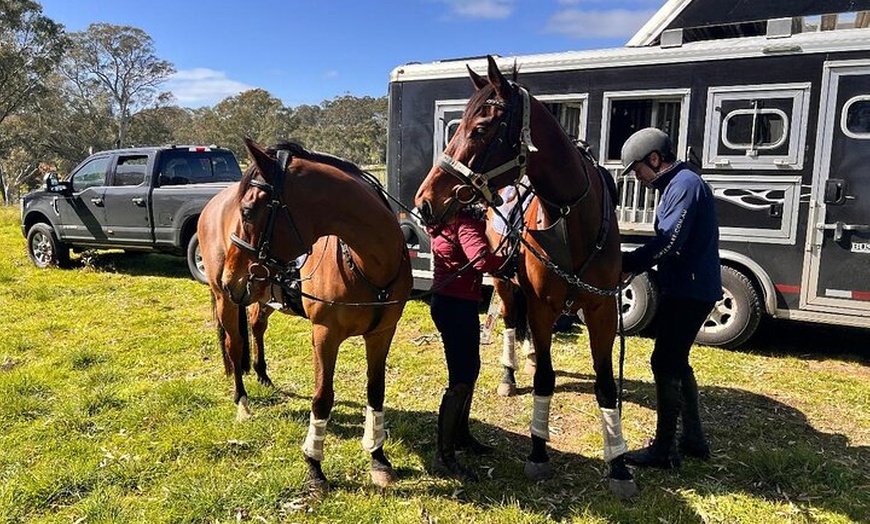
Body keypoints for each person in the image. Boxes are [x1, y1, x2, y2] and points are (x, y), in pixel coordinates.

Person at [619, 127, 722, 469]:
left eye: (637, 170)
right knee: (677, 361)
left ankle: (664, 450)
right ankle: (694, 439)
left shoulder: (684, 186)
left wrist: (628, 262)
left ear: (654, 158)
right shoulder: (678, 185)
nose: (637, 177)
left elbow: (669, 242)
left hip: (689, 291)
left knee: (664, 362)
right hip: (689, 287)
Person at [428, 205, 506, 482]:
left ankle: (461, 436)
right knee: (462, 376)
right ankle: (444, 457)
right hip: (458, 306)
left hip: (446, 302)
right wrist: (511, 262)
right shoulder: (466, 223)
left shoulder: (442, 221)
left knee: (469, 369)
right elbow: (481, 260)